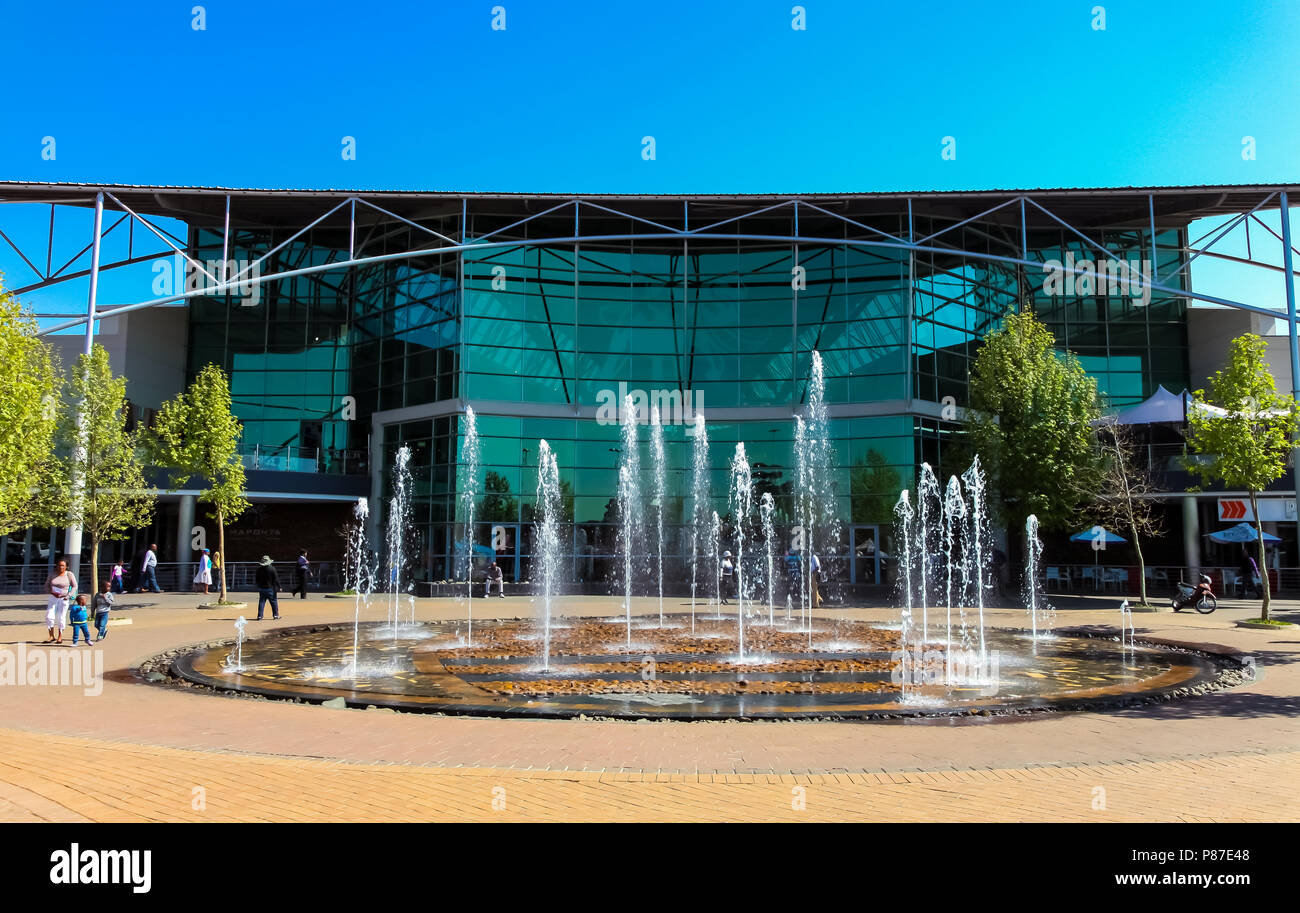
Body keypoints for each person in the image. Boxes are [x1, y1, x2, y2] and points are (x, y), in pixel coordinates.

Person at [44, 558, 76, 644]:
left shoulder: (69, 574)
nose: (60, 567)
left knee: (61, 617)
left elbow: (74, 586)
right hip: (53, 597)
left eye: (62, 565)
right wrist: (51, 592)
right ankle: (51, 636)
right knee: (49, 616)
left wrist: (68, 596)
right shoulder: (52, 574)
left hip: (64, 598)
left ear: (66, 567)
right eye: (59, 565)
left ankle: (60, 637)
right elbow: (46, 585)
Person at [254, 555, 281, 620]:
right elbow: (276, 579)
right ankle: (275, 615)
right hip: (271, 588)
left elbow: (257, 579)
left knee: (262, 602)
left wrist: (258, 585)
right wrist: (279, 586)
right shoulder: (272, 569)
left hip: (262, 588)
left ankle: (260, 616)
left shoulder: (259, 569)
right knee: (274, 602)